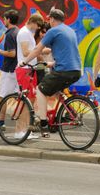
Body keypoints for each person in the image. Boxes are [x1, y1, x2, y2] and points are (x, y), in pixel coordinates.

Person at [32, 8, 82, 136]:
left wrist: (24, 61)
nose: (48, 21)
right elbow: (68, 52)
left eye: (49, 19)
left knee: (40, 89)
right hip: (76, 70)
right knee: (57, 92)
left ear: (53, 19)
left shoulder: (53, 31)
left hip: (64, 71)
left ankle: (44, 124)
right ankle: (62, 117)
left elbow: (38, 48)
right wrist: (53, 63)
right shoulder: (70, 30)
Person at [0, 9, 21, 101]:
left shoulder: (10, 34)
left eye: (4, 19)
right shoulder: (18, 32)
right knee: (19, 98)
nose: (4, 21)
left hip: (9, 70)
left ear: (9, 20)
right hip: (17, 69)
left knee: (2, 97)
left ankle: (1, 116)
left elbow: (12, 53)